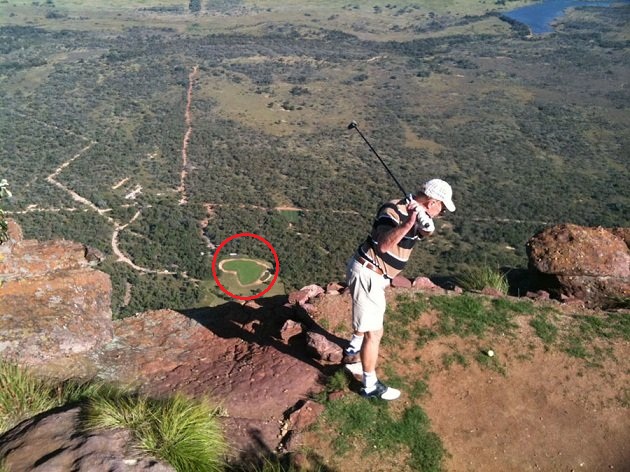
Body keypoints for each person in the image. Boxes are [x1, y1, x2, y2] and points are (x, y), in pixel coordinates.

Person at [343, 178, 455, 400]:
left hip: (378, 276)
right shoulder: (393, 210)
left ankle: (353, 348)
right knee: (374, 333)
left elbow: (425, 232)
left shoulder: (419, 212)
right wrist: (408, 223)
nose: (441, 214)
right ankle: (369, 385)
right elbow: (384, 245)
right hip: (369, 273)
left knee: (369, 321)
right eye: (441, 209)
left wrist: (425, 225)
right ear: (432, 202)